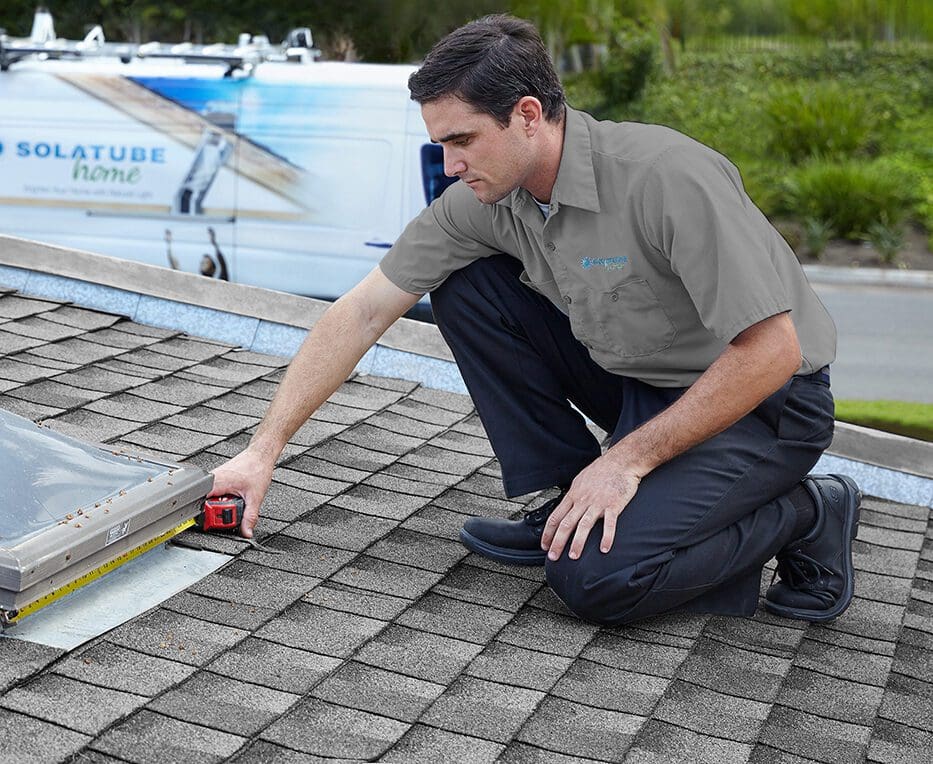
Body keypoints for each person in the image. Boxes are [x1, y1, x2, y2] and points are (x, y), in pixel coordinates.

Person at [211, 15, 861, 626]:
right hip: (643, 386)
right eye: (440, 144)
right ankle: (564, 498)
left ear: (527, 116)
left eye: (461, 140)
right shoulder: (487, 200)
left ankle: (808, 510)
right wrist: (260, 454)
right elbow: (360, 311)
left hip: (763, 404)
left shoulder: (664, 177)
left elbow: (770, 351)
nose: (449, 166)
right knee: (463, 282)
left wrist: (626, 462)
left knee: (596, 581)